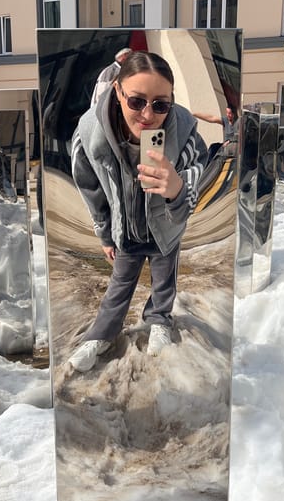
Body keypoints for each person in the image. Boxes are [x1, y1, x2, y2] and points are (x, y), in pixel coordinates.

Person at [68, 50, 205, 372]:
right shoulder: (89, 133)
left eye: (160, 104)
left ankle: (159, 320)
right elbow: (90, 188)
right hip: (125, 229)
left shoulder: (183, 129)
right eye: (136, 101)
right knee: (119, 286)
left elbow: (200, 167)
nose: (147, 114)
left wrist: (178, 188)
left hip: (165, 228)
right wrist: (104, 234)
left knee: (163, 281)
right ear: (117, 90)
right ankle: (100, 336)